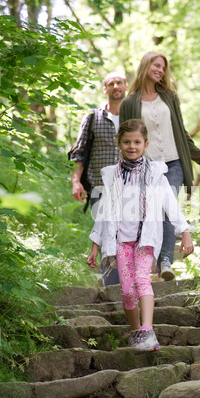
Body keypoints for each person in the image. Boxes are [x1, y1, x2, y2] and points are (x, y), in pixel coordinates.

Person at [86, 119, 194, 351]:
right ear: (119, 144)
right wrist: (95, 244)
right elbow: (103, 211)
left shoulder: (155, 175)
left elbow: (169, 204)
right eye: (127, 142)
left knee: (142, 280)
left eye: (137, 142)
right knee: (126, 291)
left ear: (145, 144)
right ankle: (136, 331)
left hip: (145, 240)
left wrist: (184, 232)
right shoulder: (113, 176)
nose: (131, 146)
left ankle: (147, 330)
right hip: (121, 242)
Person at [119, 52, 200, 281]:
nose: (160, 71)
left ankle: (165, 261)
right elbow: (124, 138)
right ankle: (148, 261)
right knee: (150, 213)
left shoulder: (169, 97)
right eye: (156, 65)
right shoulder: (129, 102)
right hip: (147, 167)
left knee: (166, 208)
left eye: (163, 68)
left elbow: (181, 133)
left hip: (173, 163)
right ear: (145, 65)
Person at [70, 71, 128, 286]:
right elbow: (79, 151)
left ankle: (128, 284)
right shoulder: (93, 117)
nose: (115, 86)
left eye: (119, 82)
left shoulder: (134, 118)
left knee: (127, 235)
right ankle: (112, 287)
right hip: (99, 187)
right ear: (105, 89)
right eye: (110, 83)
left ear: (126, 86)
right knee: (106, 234)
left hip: (129, 187)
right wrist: (76, 181)